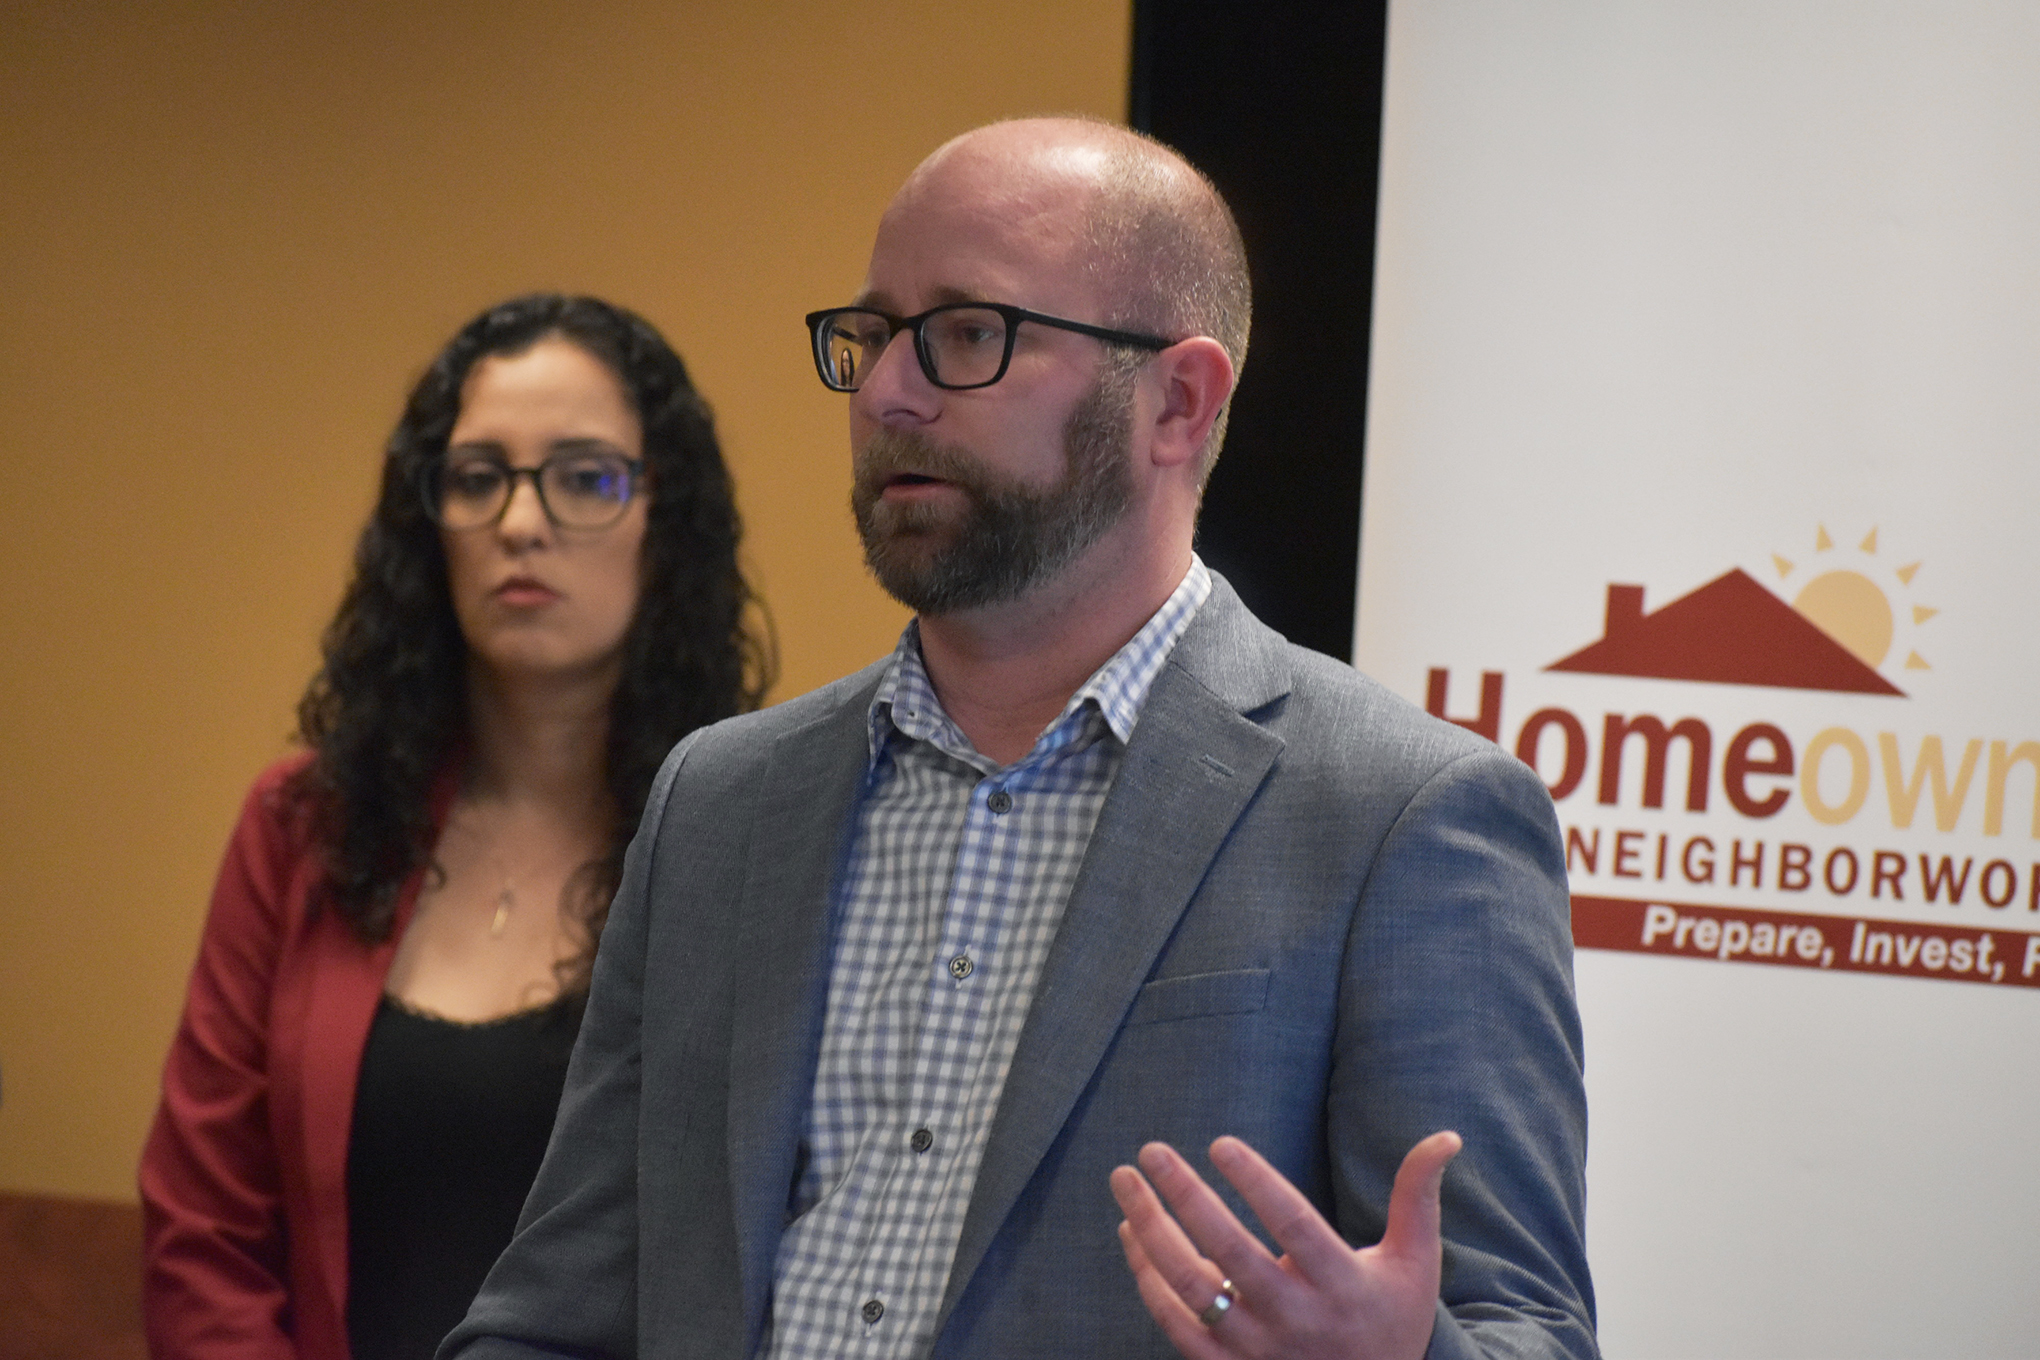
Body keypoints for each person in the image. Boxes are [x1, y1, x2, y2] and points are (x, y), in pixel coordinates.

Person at [445, 120, 1595, 1360]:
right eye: (874, 333)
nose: (888, 388)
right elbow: (556, 1315)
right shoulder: (721, 801)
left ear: (1177, 401)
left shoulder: (1405, 816)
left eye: (967, 333)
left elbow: (1525, 1332)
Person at [140, 293, 773, 1360]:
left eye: (584, 477)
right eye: (478, 478)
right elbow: (203, 1234)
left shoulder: (751, 839)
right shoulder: (302, 826)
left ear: (668, 524)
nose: (521, 522)